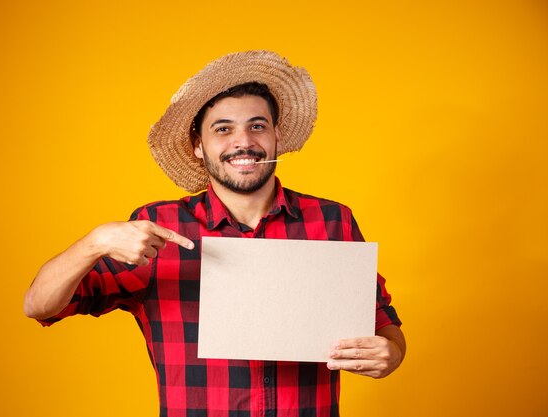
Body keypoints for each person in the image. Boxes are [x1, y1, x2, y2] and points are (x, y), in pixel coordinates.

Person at [24, 50, 405, 417]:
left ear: (276, 137)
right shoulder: (158, 228)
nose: (244, 142)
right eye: (223, 129)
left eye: (258, 126)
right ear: (198, 147)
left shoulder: (331, 221)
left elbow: (383, 324)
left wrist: (389, 354)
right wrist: (95, 242)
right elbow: (39, 306)